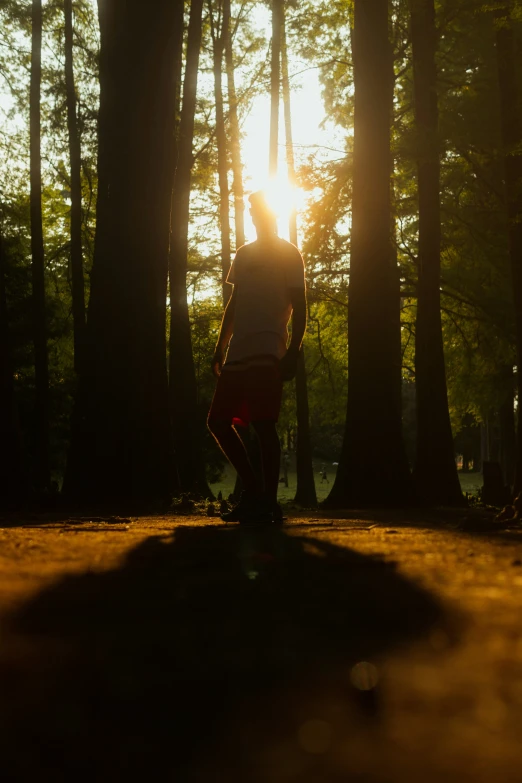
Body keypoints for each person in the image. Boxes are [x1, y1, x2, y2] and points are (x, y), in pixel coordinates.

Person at [207, 190, 307, 523]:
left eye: (258, 210)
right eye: (251, 211)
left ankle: (269, 503)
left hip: (268, 347)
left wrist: (293, 350)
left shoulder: (289, 253)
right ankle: (253, 493)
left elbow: (301, 304)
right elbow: (234, 304)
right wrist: (221, 346)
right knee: (218, 422)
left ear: (273, 213)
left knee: (264, 425)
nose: (254, 215)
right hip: (240, 349)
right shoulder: (244, 254)